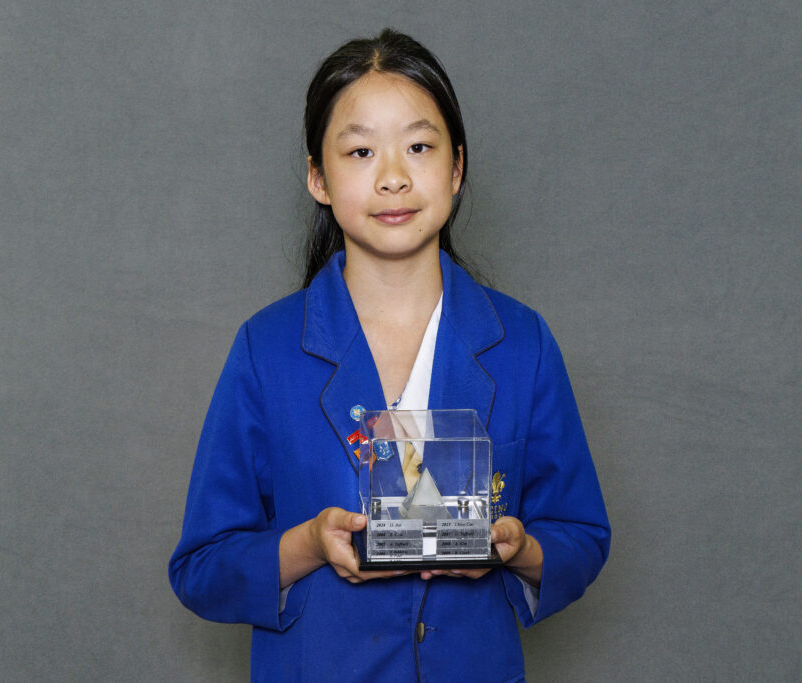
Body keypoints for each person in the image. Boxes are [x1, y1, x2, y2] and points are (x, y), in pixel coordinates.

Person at [169, 28, 610, 682]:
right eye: (361, 151)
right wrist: (308, 543)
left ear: (456, 168)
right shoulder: (267, 349)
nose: (394, 176)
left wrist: (520, 549)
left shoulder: (522, 343)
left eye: (419, 146)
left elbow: (583, 534)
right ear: (318, 177)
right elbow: (200, 567)